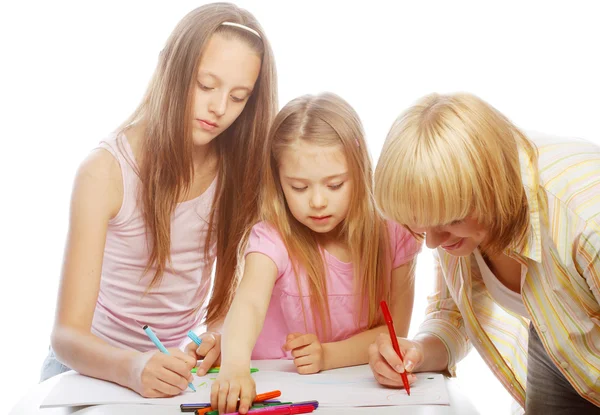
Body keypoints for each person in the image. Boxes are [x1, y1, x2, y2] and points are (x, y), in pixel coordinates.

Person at [42, 2, 278, 399]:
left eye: (239, 97)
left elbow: (223, 304)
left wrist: (218, 335)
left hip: (174, 373)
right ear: (170, 68)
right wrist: (133, 367)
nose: (220, 109)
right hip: (87, 369)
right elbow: (66, 336)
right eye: (206, 86)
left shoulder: (236, 171)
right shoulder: (105, 172)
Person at [370, 92, 600, 413]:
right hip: (560, 343)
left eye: (448, 222)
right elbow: (451, 315)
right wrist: (417, 352)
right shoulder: (455, 214)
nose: (434, 243)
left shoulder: (585, 218)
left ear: (489, 189)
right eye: (420, 226)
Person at [211, 92, 421, 414]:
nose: (318, 202)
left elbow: (394, 331)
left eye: (335, 185)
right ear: (278, 182)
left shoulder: (394, 233)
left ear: (361, 171)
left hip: (353, 393)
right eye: (299, 187)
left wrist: (327, 355)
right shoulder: (272, 238)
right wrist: (235, 367)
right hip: (275, 387)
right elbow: (249, 304)